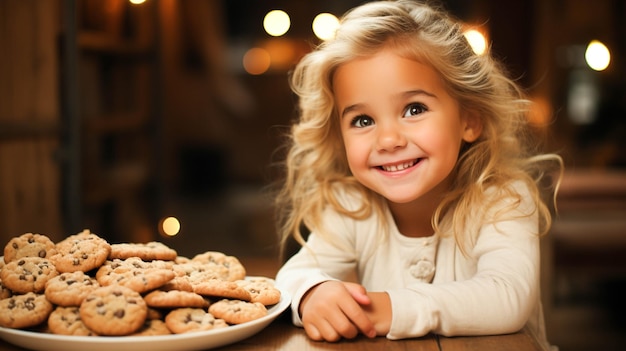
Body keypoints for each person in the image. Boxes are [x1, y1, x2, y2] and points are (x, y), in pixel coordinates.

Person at [273, 0, 563, 350]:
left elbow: (506, 297)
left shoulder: (502, 199)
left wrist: (387, 309)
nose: (389, 140)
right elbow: (292, 276)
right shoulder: (351, 206)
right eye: (363, 120)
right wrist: (312, 293)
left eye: (414, 109)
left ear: (469, 120)